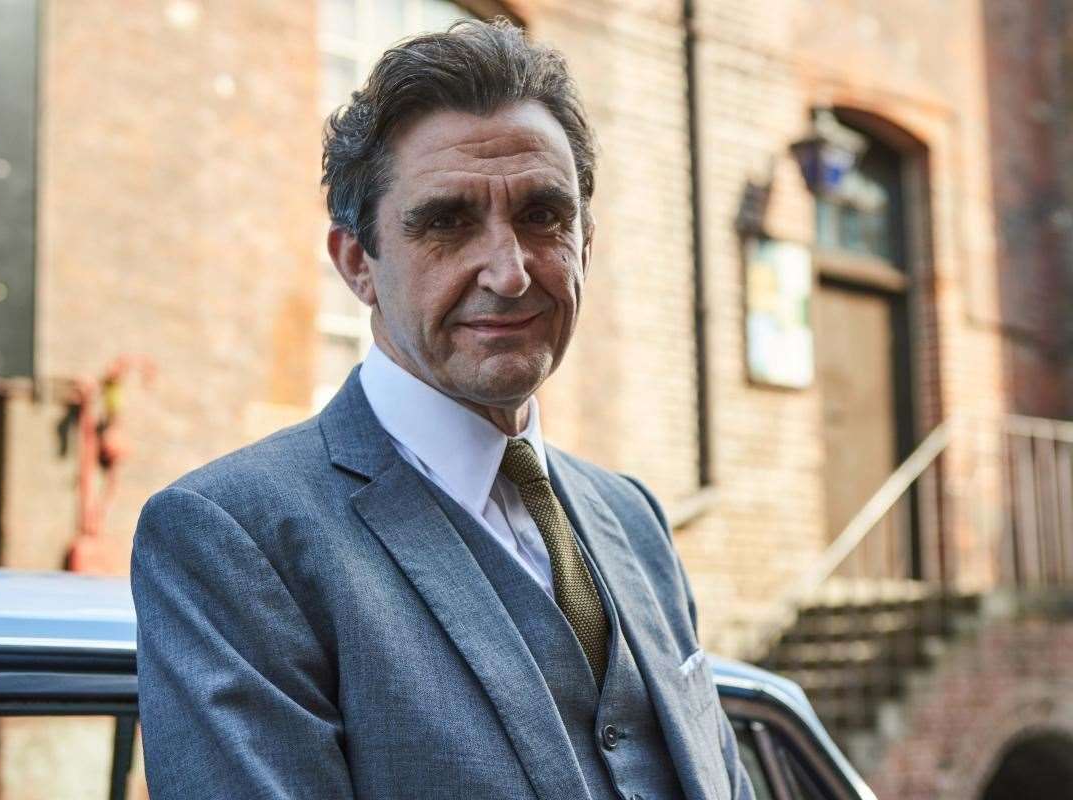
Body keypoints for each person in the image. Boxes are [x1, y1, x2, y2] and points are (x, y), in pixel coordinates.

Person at [131, 19, 754, 800]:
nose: (510, 271)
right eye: (447, 222)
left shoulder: (632, 520)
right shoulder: (234, 539)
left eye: (543, 216)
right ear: (357, 262)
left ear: (586, 242)